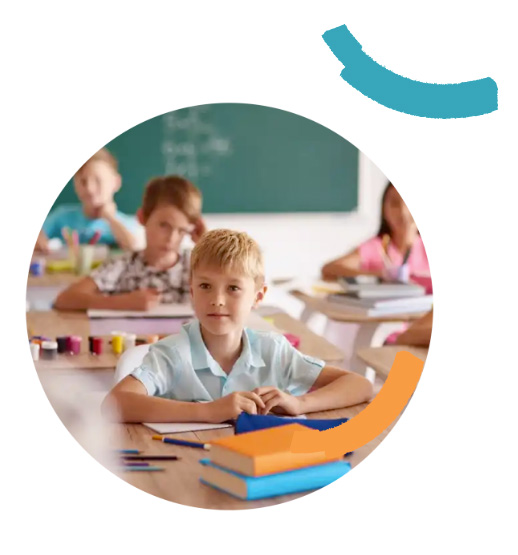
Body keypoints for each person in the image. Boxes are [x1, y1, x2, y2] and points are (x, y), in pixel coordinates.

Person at [103, 229, 373, 423]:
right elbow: (113, 405)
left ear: (258, 296)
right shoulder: (172, 354)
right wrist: (209, 411)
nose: (217, 300)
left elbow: (360, 385)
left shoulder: (274, 351)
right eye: (206, 286)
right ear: (192, 292)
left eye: (233, 288)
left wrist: (299, 403)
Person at [54, 175, 205, 311]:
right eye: (164, 225)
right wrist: (122, 302)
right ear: (142, 218)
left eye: (182, 230)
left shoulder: (198, 265)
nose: (172, 238)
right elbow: (64, 299)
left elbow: (227, 290)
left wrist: (207, 243)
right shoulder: (123, 265)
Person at [35, 148, 142, 252]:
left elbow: (134, 247)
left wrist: (110, 218)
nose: (90, 189)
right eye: (83, 181)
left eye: (98, 181)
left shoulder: (128, 223)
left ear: (116, 183)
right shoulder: (62, 217)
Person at [321, 182, 430, 283]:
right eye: (395, 203)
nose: (403, 211)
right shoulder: (376, 247)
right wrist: (379, 275)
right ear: (384, 209)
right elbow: (329, 269)